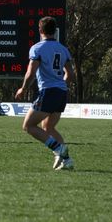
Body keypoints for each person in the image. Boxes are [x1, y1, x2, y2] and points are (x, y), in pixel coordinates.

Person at [15, 16, 75, 170]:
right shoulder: (63, 49)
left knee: (28, 126)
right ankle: (67, 160)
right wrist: (62, 85)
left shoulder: (37, 48)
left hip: (48, 92)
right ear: (54, 31)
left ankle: (58, 149)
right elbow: (71, 74)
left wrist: (23, 88)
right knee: (48, 127)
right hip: (61, 93)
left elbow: (30, 73)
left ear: (40, 30)